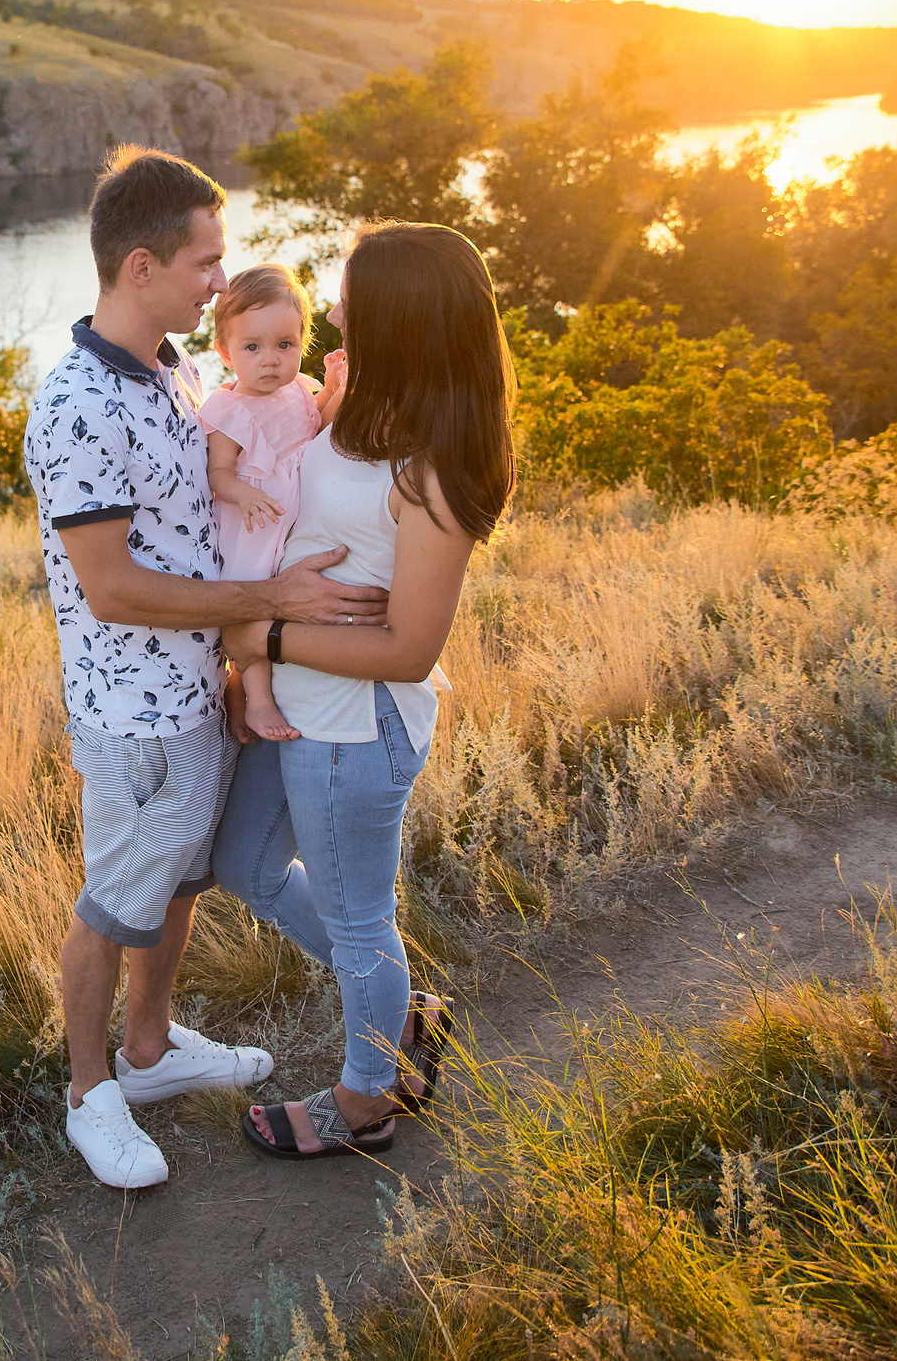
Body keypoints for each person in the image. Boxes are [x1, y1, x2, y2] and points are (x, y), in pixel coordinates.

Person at [24, 146, 391, 1190]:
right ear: (141, 266)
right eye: (205, 263)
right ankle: (88, 1093)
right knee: (114, 898)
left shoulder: (176, 369)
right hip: (133, 708)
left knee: (181, 878)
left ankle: (148, 1049)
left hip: (198, 687)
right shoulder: (77, 404)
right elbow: (111, 587)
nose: (221, 282)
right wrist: (269, 605)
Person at [211, 222, 519, 1161]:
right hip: (297, 704)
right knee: (246, 866)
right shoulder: (350, 408)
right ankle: (399, 1005)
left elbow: (409, 646)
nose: (334, 311)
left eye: (349, 297)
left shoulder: (435, 466)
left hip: (357, 727)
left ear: (398, 317)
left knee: (358, 922)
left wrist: (261, 633)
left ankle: (365, 1099)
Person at [198, 265, 346, 742]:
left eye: (284, 345)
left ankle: (289, 682)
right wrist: (246, 495)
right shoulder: (231, 410)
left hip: (294, 515)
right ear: (225, 352)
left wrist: (334, 390)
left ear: (302, 342)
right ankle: (257, 698)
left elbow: (316, 424)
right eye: (252, 348)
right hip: (255, 522)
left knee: (296, 597)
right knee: (254, 605)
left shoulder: (298, 388)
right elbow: (218, 474)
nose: (270, 360)